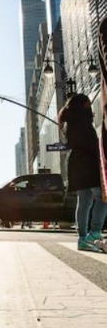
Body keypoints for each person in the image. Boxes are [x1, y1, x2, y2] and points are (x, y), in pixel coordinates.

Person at [58, 93, 107, 252]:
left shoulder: (71, 122)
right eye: (88, 103)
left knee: (84, 200)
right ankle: (94, 233)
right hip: (87, 163)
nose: (90, 105)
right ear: (82, 105)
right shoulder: (83, 122)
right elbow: (91, 144)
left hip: (76, 163)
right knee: (103, 197)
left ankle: (83, 238)